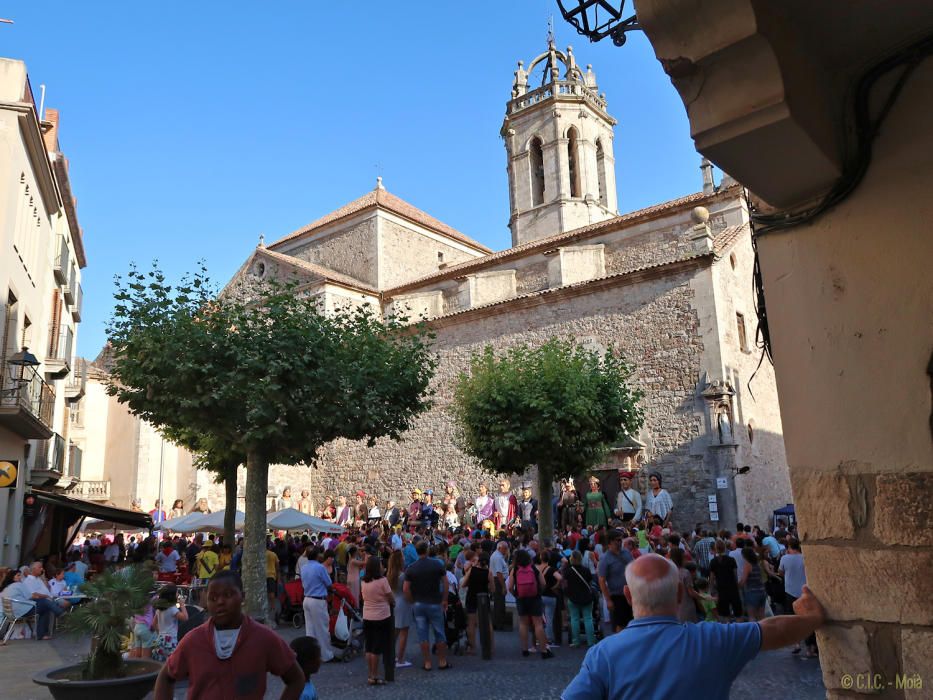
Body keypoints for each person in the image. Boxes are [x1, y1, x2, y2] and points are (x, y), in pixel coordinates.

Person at [561, 554, 826, 700]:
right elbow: (772, 630)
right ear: (679, 593)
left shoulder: (603, 654)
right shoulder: (713, 639)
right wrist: (812, 619)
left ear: (629, 596)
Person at [154, 571, 304, 700]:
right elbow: (166, 676)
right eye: (213, 598)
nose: (220, 602)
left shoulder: (264, 638)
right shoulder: (193, 641)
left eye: (228, 595)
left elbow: (296, 678)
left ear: (243, 597)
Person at [403, 540, 451, 671]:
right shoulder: (437, 564)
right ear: (427, 550)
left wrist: (412, 600)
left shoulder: (411, 568)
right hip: (435, 602)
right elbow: (446, 583)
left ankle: (427, 662)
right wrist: (445, 599)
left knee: (422, 634)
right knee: (439, 633)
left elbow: (406, 588)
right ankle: (442, 661)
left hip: (419, 603)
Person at [510, 548, 553, 659]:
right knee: (538, 624)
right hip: (534, 597)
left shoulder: (514, 570)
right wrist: (539, 591)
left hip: (521, 598)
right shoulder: (533, 568)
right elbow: (543, 583)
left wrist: (516, 594)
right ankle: (544, 650)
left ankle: (525, 649)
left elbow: (510, 586)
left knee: (523, 624)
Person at [779, 537, 817, 657]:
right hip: (804, 591)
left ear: (789, 547)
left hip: (790, 591)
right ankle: (810, 648)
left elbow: (780, 572)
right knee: (807, 619)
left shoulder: (785, 558)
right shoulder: (804, 557)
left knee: (792, 619)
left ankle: (796, 643)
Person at [361, 555, 394, 685]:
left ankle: (370, 674)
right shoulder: (382, 581)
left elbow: (364, 597)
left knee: (369, 647)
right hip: (381, 616)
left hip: (367, 615)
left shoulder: (364, 581)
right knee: (376, 648)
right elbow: (390, 597)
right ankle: (374, 675)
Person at [298, 548, 335, 663]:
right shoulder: (320, 568)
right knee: (322, 629)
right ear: (318, 555)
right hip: (317, 600)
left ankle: (311, 655)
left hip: (307, 598)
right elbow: (328, 583)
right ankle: (326, 655)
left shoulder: (303, 567)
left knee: (310, 630)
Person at [597, 529, 634, 632]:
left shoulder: (626, 553)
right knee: (620, 624)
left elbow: (634, 568)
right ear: (610, 542)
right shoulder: (605, 559)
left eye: (620, 540)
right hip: (617, 596)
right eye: (617, 540)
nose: (620, 542)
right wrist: (608, 600)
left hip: (631, 594)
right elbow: (601, 580)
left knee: (632, 623)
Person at [23, 561, 70, 639]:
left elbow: (48, 589)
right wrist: (46, 596)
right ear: (33, 569)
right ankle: (61, 614)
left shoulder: (38, 579)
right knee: (46, 602)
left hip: (46, 600)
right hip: (32, 604)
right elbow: (33, 595)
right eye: (40, 567)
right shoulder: (28, 580)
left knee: (47, 607)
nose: (42, 569)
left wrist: (44, 578)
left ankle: (41, 634)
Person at [461, 550, 494, 655]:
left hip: (472, 597)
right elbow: (492, 589)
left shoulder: (472, 570)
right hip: (484, 598)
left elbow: (463, 584)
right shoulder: (488, 572)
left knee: (471, 623)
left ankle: (472, 647)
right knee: (487, 623)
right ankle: (490, 646)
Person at [562, 550, 596, 648]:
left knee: (574, 619)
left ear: (571, 558)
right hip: (586, 596)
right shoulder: (586, 570)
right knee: (588, 618)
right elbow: (590, 583)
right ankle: (591, 641)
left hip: (573, 597)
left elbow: (565, 584)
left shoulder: (567, 571)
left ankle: (576, 641)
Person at [387, 550, 413, 669]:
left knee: (395, 632)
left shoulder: (389, 574)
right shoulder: (403, 575)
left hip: (394, 603)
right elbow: (406, 591)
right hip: (403, 603)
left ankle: (391, 656)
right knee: (404, 632)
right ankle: (400, 659)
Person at [153, 584, 190, 662]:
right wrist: (182, 605)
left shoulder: (159, 609)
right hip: (170, 640)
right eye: (177, 593)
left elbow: (154, 624)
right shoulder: (172, 609)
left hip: (160, 639)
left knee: (161, 662)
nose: (178, 595)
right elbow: (185, 618)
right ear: (172, 596)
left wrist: (160, 633)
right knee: (171, 662)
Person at [709, 540, 743, 621]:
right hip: (732, 587)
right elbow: (735, 576)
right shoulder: (731, 560)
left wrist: (711, 590)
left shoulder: (713, 562)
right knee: (738, 613)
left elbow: (711, 578)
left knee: (725, 614)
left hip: (721, 588)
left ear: (716, 549)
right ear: (725, 548)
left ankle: (728, 631)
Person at [739, 547, 767, 622]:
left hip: (752, 592)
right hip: (762, 591)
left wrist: (737, 586)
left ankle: (754, 633)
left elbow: (743, 580)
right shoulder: (757, 563)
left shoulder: (747, 565)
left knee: (752, 616)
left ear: (745, 556)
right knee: (762, 616)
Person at [290, 636, 322, 700]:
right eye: (318, 657)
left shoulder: (304, 684)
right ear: (308, 663)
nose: (321, 660)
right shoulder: (303, 694)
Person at [489, 540, 510, 630]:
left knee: (499, 602)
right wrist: (503, 586)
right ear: (500, 548)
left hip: (497, 580)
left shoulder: (497, 556)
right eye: (505, 549)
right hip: (498, 581)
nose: (506, 550)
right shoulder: (497, 557)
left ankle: (498, 623)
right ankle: (499, 624)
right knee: (499, 603)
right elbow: (499, 573)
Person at [266, 545, 280, 625]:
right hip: (271, 576)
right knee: (272, 594)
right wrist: (279, 578)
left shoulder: (259, 554)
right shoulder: (273, 554)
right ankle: (273, 607)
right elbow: (277, 567)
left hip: (262, 577)